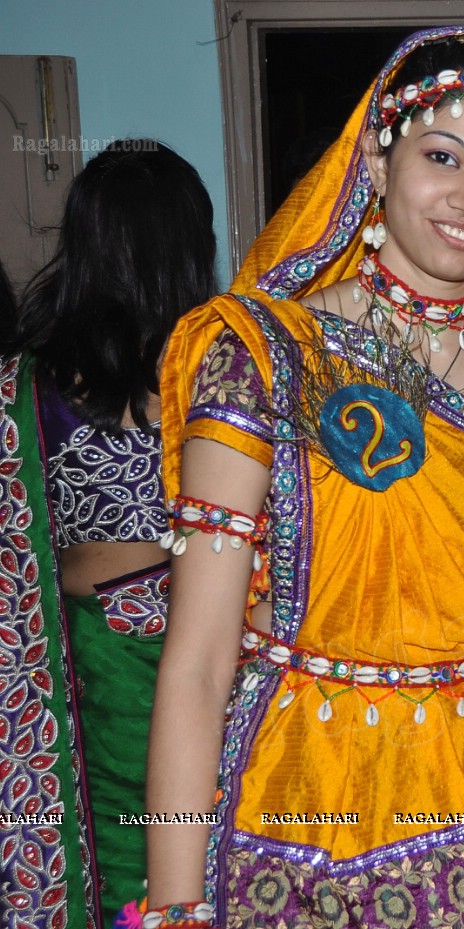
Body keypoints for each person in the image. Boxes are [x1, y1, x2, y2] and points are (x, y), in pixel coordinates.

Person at [141, 27, 464, 929]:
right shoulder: (266, 352)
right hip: (303, 794)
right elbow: (197, 660)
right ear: (377, 161)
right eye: (442, 155)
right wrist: (176, 905)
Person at [0, 139, 216, 929]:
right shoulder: (224, 370)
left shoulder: (37, 379)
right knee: (194, 833)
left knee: (109, 844)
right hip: (208, 636)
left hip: (88, 650)